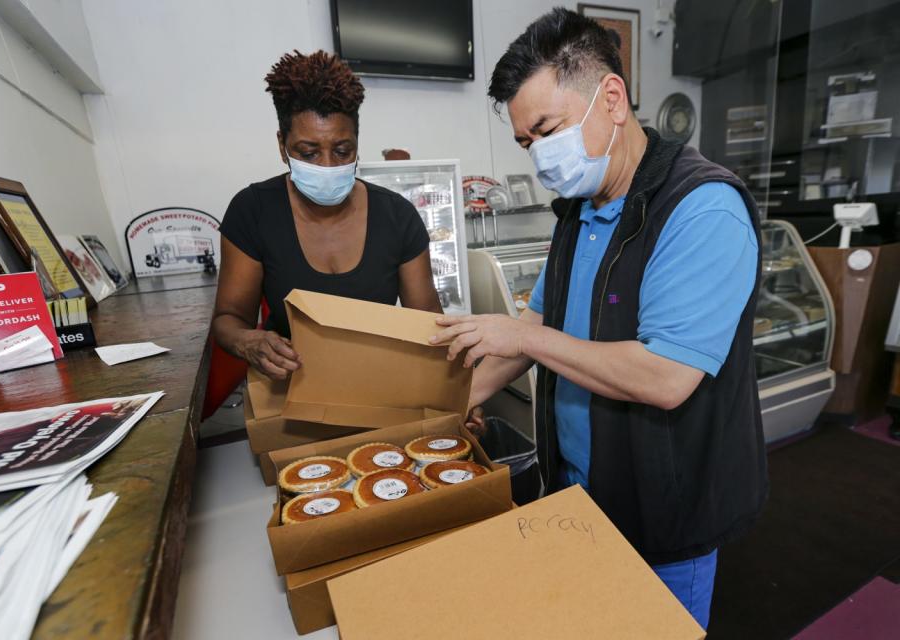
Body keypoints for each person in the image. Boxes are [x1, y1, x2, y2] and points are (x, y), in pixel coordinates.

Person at [431, 9, 768, 630]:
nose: (539, 157)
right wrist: (441, 408)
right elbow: (535, 328)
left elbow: (665, 377)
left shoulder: (702, 209)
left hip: (665, 514)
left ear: (611, 98)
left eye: (548, 130)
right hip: (578, 496)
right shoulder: (576, 211)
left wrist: (527, 335)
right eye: (526, 144)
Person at [213, 51, 441, 379]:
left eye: (342, 151)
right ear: (282, 146)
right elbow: (229, 317)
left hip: (380, 384)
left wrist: (460, 388)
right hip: (290, 393)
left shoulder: (397, 216)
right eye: (309, 153)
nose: (328, 166)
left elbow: (429, 320)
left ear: (357, 145)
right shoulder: (253, 211)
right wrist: (249, 341)